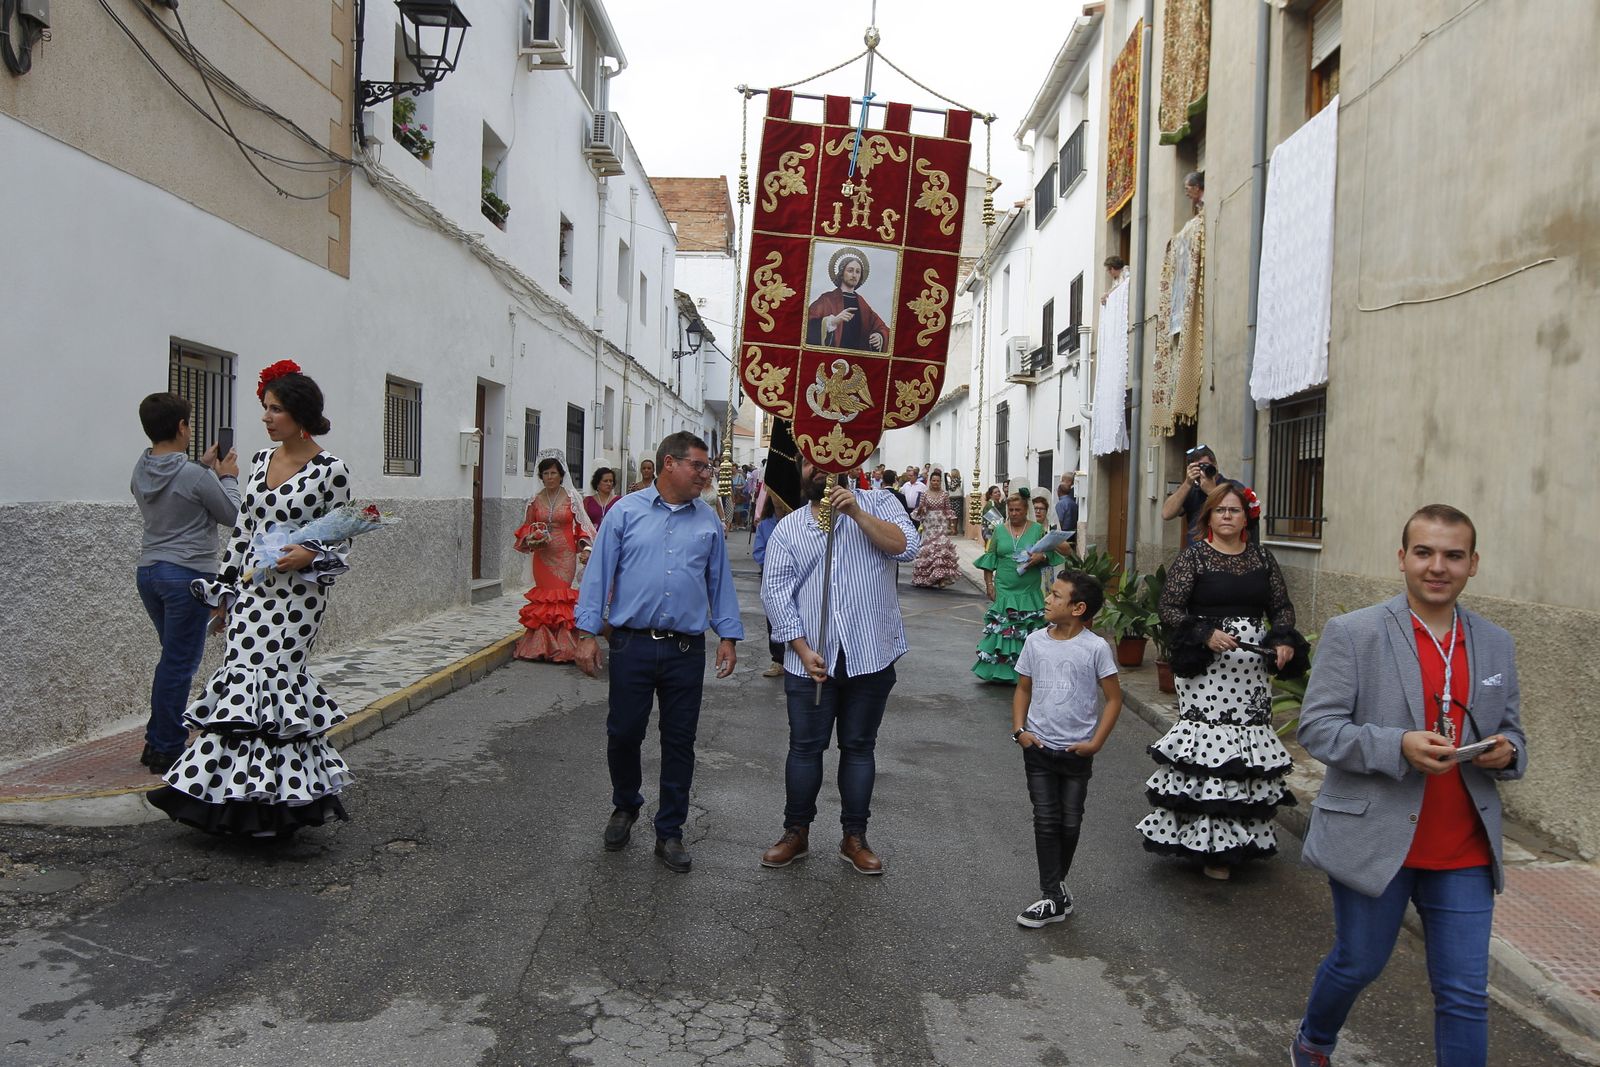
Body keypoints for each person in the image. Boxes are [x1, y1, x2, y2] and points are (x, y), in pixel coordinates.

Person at [1289, 505, 1526, 1067]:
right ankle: (1313, 1039)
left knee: (1465, 994)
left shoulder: (1496, 644)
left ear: (1473, 564)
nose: (1437, 566)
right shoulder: (1356, 633)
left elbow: (1512, 728)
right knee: (1359, 962)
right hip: (1376, 838)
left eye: (1452, 555)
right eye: (1424, 552)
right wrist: (1396, 745)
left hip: (1463, 845)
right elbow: (1317, 728)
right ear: (1403, 559)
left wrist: (1507, 752)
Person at [148, 362, 354, 835]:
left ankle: (277, 808)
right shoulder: (260, 461)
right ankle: (231, 802)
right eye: (265, 409)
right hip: (252, 592)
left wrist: (309, 553)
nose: (266, 417)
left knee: (277, 687)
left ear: (300, 414)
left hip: (297, 600)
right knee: (239, 686)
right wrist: (225, 590)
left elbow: (344, 533)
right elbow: (244, 532)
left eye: (275, 409)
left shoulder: (332, 470)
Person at [574, 432, 742, 874]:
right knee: (624, 732)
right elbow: (598, 574)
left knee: (679, 742)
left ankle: (670, 831)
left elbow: (719, 582)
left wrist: (727, 635)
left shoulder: (707, 520)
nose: (706, 475)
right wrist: (587, 632)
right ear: (670, 464)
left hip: (686, 650)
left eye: (708, 468)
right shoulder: (625, 513)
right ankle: (626, 804)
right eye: (700, 467)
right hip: (631, 645)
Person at [1136, 483, 1308, 878]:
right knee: (1211, 749)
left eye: (1235, 510)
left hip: (1251, 667)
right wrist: (1205, 633)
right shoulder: (1193, 558)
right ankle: (1210, 846)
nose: (1228, 516)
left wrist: (1282, 640)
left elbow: (1281, 606)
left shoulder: (1263, 558)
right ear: (1208, 517)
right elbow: (1170, 607)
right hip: (1208, 667)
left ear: (1246, 516)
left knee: (1245, 751)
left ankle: (1242, 838)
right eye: (1220, 510)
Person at [758, 457, 920, 875]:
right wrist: (799, 646)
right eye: (811, 462)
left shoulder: (880, 501)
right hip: (811, 660)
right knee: (805, 749)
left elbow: (907, 547)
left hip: (870, 655)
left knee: (860, 748)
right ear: (801, 469)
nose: (821, 470)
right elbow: (775, 591)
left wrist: (856, 513)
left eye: (830, 461)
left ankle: (854, 837)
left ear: (850, 461)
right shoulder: (791, 528)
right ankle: (795, 832)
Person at [131, 393, 241, 774]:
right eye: (189, 423)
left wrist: (205, 467)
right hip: (187, 575)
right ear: (181, 426)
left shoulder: (141, 469)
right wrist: (225, 477)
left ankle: (157, 738)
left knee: (172, 660)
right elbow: (232, 513)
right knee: (179, 663)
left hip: (150, 573)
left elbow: (175, 493)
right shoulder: (194, 475)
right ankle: (165, 746)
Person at [1011, 571, 1123, 927]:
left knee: (1070, 822)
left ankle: (1056, 890)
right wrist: (1020, 731)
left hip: (1076, 753)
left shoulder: (1095, 648)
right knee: (1046, 820)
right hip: (1039, 748)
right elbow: (1023, 689)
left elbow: (1114, 699)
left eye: (1056, 595)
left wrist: (1095, 744)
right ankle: (1050, 896)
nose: (1047, 599)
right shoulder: (1035, 642)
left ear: (1077, 608)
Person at [973, 489, 1063, 684]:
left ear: (1025, 510)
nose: (1014, 514)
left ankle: (1027, 672)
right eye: (1011, 510)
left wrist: (1042, 557)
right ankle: (1002, 672)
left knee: (1027, 629)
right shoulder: (999, 530)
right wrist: (989, 583)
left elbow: (1050, 554)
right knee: (1004, 630)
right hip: (1004, 588)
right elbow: (991, 559)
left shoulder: (1037, 529)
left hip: (1028, 589)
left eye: (1018, 510)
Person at [514, 454, 596, 663]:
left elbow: (582, 527)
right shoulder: (535, 500)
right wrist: (530, 537)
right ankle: (541, 646)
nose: (550, 477)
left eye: (553, 473)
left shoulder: (571, 498)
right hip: (543, 555)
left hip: (565, 554)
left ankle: (564, 647)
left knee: (560, 596)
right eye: (546, 474)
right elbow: (527, 525)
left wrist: (585, 548)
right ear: (541, 477)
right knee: (544, 596)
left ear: (561, 475)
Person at [806, 250, 890, 351]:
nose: (854, 275)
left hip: (857, 359)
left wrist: (879, 336)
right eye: (850, 270)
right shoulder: (827, 299)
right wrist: (832, 321)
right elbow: (807, 323)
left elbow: (881, 327)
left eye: (857, 272)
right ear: (842, 273)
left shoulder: (861, 302)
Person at [1160, 444, 1228, 545]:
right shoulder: (1191, 490)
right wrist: (1187, 483)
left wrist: (1212, 492)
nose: (1202, 471)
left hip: (1223, 548)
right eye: (1197, 468)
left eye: (1205, 466)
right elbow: (1166, 514)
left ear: (1215, 465)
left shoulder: (1231, 487)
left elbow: (1230, 513)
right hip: (1196, 552)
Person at [751, 497, 785, 679]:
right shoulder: (765, 525)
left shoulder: (796, 520)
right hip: (773, 577)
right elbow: (758, 551)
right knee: (773, 617)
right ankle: (778, 659)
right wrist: (776, 564)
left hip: (795, 576)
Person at [911, 468, 959, 588]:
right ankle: (928, 577)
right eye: (933, 480)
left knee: (941, 550)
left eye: (937, 481)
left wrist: (952, 525)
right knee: (929, 550)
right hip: (929, 525)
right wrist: (921, 510)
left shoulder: (944, 494)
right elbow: (921, 510)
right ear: (930, 481)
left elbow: (948, 510)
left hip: (941, 524)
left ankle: (941, 578)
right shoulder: (925, 494)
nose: (935, 483)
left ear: (940, 481)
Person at [1054, 475, 1078, 549]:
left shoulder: (1060, 504)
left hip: (1063, 535)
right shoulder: (1074, 504)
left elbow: (1059, 521)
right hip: (1073, 534)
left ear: (1059, 491)